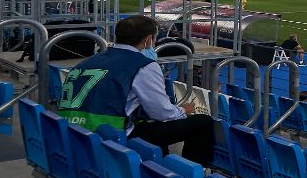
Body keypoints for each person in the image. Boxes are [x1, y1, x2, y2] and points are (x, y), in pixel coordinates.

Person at [55, 15, 214, 165]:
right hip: (109, 134)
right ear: (148, 40)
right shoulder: (143, 65)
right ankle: (196, 176)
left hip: (73, 132)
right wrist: (182, 110)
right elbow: (161, 113)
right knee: (203, 122)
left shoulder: (89, 61)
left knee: (150, 127)